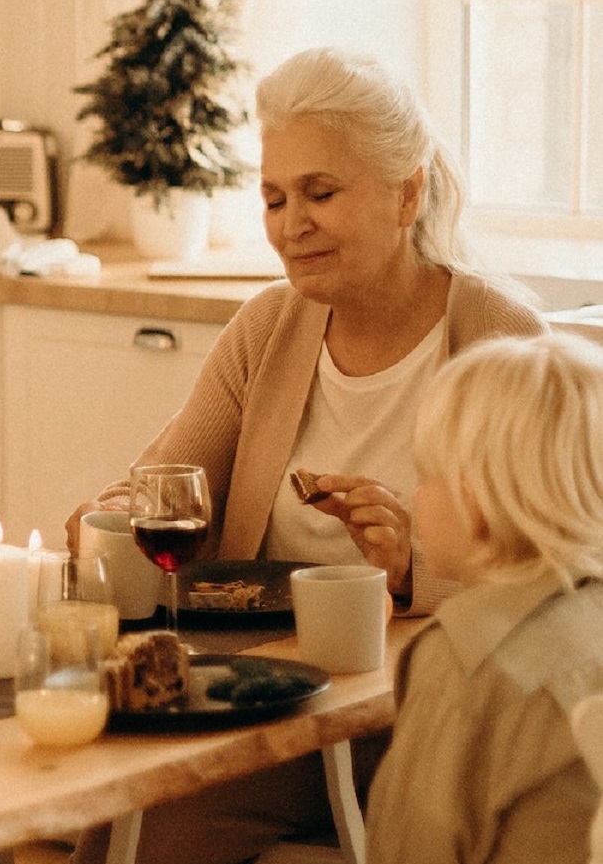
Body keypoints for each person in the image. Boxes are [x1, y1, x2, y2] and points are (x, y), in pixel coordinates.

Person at [68, 46, 547, 864]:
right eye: (274, 197)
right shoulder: (266, 329)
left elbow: (556, 577)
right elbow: (160, 485)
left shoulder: (497, 340)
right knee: (104, 812)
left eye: (321, 193)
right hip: (269, 696)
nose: (292, 223)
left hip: (420, 708)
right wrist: (97, 525)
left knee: (139, 823)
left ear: (408, 191)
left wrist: (408, 569)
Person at [366, 333, 603, 864]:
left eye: (426, 477)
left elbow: (408, 851)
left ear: (473, 502)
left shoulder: (467, 664)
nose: (413, 495)